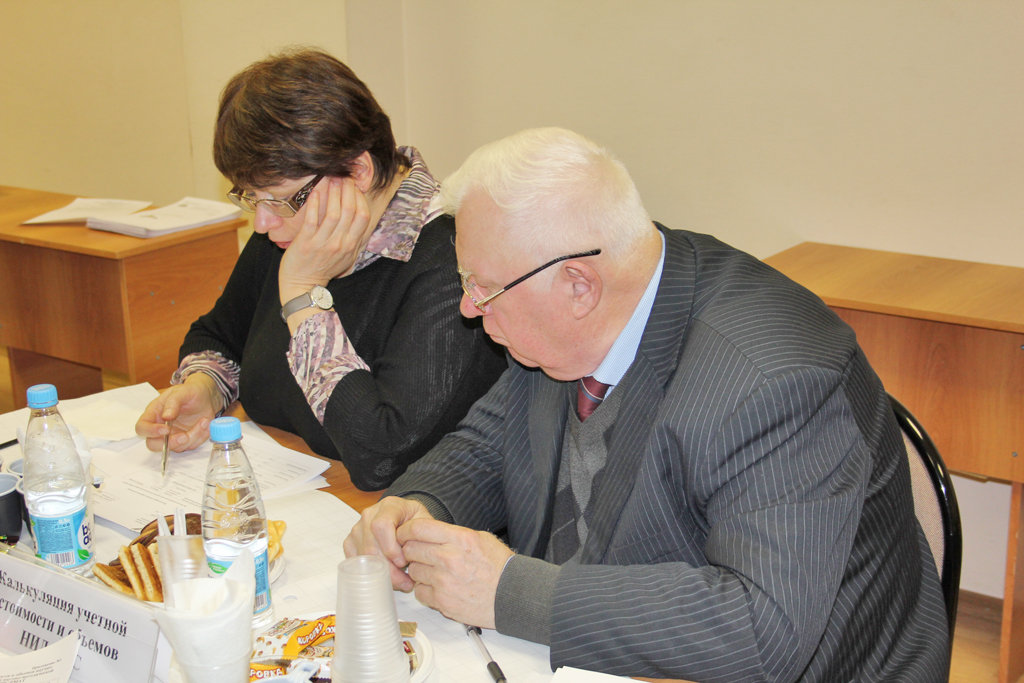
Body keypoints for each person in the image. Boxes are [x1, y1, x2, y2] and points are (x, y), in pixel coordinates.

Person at [345, 128, 950, 680]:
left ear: (578, 286)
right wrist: (419, 504)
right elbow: (492, 439)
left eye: (482, 287)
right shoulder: (573, 315)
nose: (467, 307)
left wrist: (510, 592)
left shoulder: (773, 378)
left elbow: (761, 629)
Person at [134, 49, 505, 490]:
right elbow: (220, 336)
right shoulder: (286, 228)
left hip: (385, 515)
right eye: (251, 197)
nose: (262, 223)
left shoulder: (453, 261)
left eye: (279, 199)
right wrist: (207, 387)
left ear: (358, 170)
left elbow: (384, 457)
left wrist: (304, 297)